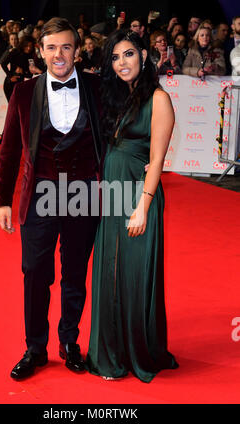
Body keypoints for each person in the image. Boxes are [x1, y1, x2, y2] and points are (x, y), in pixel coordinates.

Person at [0, 17, 101, 380]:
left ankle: (69, 342)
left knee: (75, 274)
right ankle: (35, 347)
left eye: (66, 46)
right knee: (35, 274)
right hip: (39, 194)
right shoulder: (24, 92)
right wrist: (3, 201)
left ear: (78, 50)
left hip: (84, 194)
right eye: (52, 47)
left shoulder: (96, 87)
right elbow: (9, 150)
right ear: (40, 52)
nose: (59, 54)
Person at [86, 29, 178, 382]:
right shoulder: (117, 97)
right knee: (109, 275)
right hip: (112, 196)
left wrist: (143, 206)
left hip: (140, 198)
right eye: (115, 57)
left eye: (128, 54)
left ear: (143, 54)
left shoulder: (158, 99)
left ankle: (139, 351)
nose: (122, 62)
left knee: (134, 278)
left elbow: (156, 160)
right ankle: (111, 353)